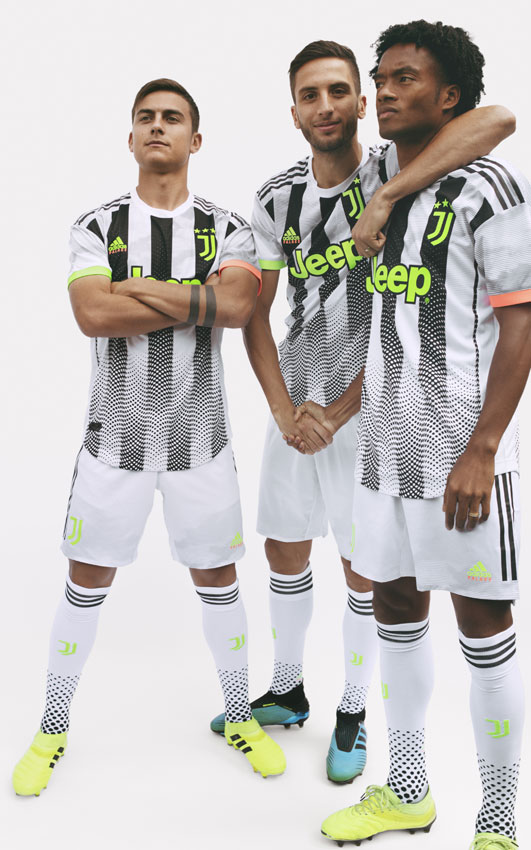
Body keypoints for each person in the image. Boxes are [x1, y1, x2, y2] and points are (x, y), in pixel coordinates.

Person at [209, 40, 515, 785]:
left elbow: (497, 119)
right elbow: (252, 309)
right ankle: (291, 690)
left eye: (342, 91)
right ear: (293, 111)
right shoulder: (278, 197)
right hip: (306, 409)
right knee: (290, 547)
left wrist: (380, 198)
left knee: (374, 572)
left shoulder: (401, 171)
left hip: (383, 414)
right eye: (310, 95)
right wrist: (285, 409)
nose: (328, 106)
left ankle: (356, 710)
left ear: (359, 104)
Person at [12, 78, 286, 797]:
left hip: (202, 443)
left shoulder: (228, 227)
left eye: (172, 118)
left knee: (218, 579)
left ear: (195, 139)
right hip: (115, 444)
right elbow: (93, 316)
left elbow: (237, 308)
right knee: (85, 580)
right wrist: (196, 300)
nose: (158, 126)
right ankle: (52, 726)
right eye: (146, 118)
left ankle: (238, 715)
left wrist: (133, 288)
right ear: (130, 137)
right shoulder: (96, 225)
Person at [321, 21, 530, 850]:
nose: (382, 91)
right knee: (396, 611)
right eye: (379, 77)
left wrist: (483, 448)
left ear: (447, 96)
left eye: (403, 78)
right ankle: (406, 791)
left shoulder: (489, 188)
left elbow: (520, 325)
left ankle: (499, 816)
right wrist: (379, 194)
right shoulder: (379, 170)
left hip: (458, 455)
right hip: (384, 451)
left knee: (483, 629)